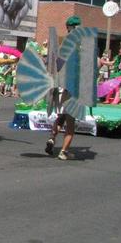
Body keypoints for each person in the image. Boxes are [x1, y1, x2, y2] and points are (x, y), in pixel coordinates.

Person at [45, 15, 86, 160]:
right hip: (74, 87)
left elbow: (57, 65)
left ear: (68, 27)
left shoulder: (64, 45)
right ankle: (63, 151)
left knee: (60, 116)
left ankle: (52, 138)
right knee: (70, 123)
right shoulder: (81, 45)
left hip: (61, 85)